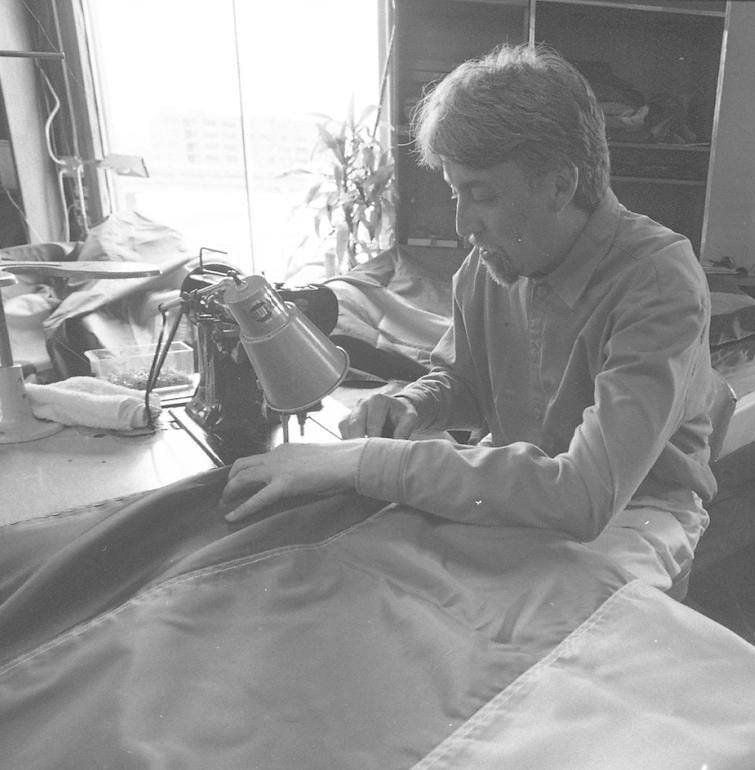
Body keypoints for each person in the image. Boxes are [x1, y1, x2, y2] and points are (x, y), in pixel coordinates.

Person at [221, 43, 725, 597]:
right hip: (527, 490)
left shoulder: (658, 280)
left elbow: (582, 497)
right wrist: (415, 404)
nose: (464, 225)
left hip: (638, 510)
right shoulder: (489, 268)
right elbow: (463, 379)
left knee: (536, 631)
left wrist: (364, 462)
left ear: (561, 184)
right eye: (455, 193)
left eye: (480, 195)